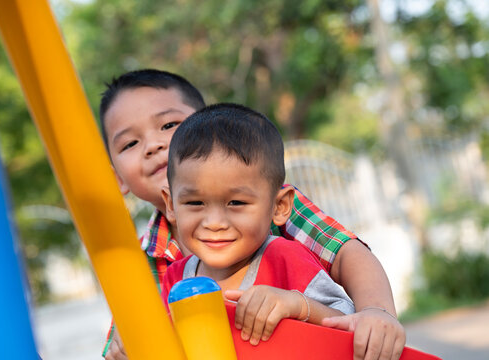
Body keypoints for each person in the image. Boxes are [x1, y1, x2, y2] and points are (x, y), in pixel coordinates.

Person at [101, 69, 405, 360]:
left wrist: (376, 313)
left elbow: (343, 252)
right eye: (130, 143)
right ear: (118, 178)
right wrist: (126, 346)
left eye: (168, 125)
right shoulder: (137, 266)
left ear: (208, 125)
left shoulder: (269, 202)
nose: (152, 145)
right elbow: (130, 342)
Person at [160, 103, 356, 346]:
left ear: (279, 206)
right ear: (171, 205)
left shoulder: (284, 258)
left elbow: (349, 326)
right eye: (195, 202)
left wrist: (297, 305)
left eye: (236, 202)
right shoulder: (175, 280)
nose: (215, 223)